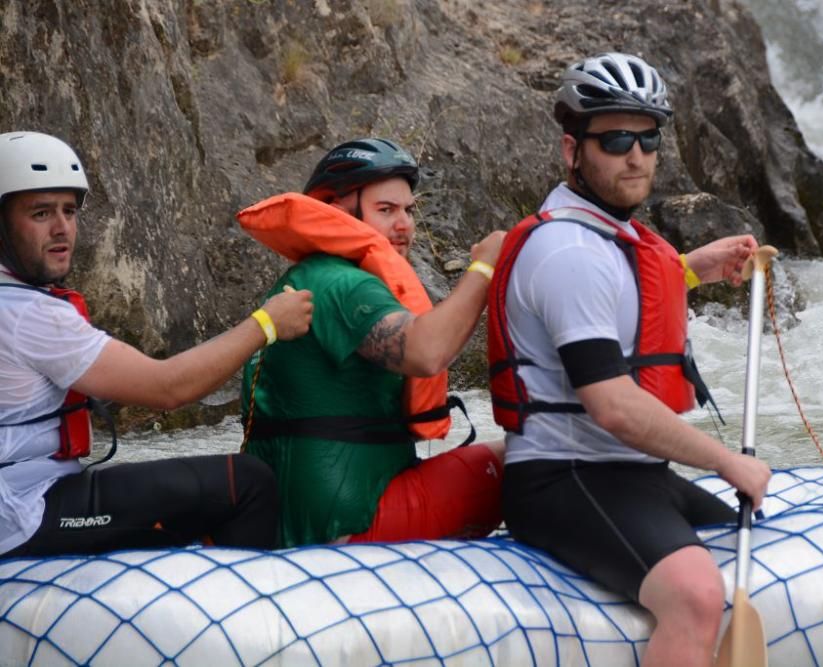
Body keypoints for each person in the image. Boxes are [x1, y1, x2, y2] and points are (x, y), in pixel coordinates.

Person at [487, 53, 773, 666]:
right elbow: (613, 405)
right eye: (615, 138)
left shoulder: (609, 235)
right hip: (567, 477)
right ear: (573, 150)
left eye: (647, 138)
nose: (635, 155)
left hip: (630, 473)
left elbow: (622, 305)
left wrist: (692, 269)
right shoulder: (567, 250)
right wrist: (726, 461)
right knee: (697, 596)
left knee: (759, 549)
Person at [0, 131, 315, 559]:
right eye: (41, 213)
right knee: (247, 483)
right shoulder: (26, 315)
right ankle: (241, 620)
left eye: (69, 211)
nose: (62, 229)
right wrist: (266, 324)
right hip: (23, 513)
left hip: (27, 495)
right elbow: (168, 389)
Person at [239, 137, 506, 548]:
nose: (405, 225)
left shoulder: (310, 276)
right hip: (347, 525)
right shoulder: (347, 286)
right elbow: (426, 352)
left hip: (292, 519)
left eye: (408, 211)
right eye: (386, 210)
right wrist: (485, 267)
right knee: (525, 459)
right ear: (336, 210)